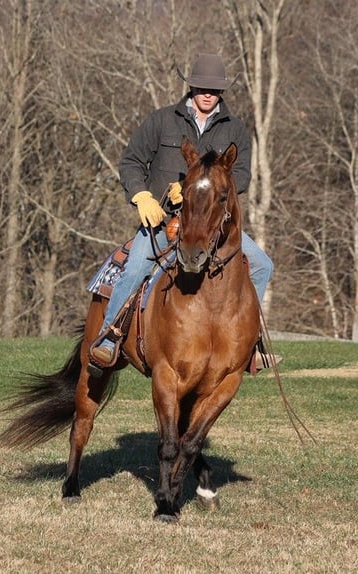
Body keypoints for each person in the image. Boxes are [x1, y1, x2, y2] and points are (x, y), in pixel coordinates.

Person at [90, 53, 280, 370]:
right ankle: (108, 338)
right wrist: (142, 196)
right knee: (136, 266)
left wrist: (206, 186)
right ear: (191, 87)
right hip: (163, 223)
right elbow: (131, 161)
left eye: (214, 89)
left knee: (262, 265)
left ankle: (249, 345)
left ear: (222, 92)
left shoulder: (235, 130)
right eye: (202, 87)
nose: (208, 94)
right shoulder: (162, 120)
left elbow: (243, 175)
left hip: (212, 226)